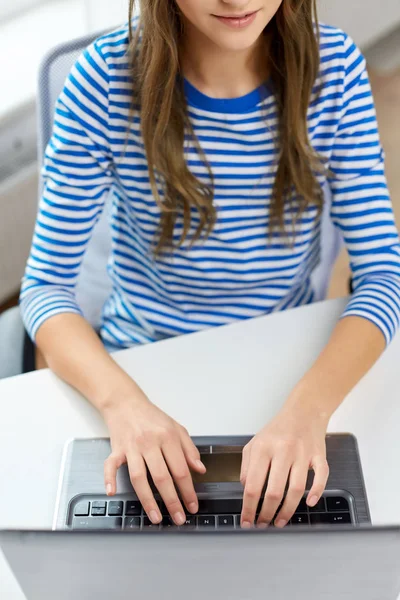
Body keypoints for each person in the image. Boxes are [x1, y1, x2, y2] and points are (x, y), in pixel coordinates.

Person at [20, 0, 400, 530]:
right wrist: (123, 406)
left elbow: (383, 277)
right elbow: (44, 288)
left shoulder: (334, 69)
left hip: (290, 375)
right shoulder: (103, 83)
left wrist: (309, 412)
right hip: (142, 367)